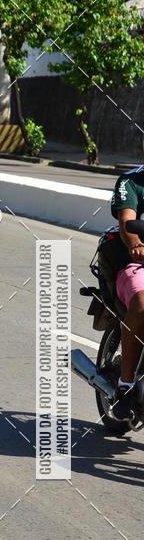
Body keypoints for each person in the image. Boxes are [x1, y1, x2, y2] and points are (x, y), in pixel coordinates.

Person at [110, 166, 144, 419]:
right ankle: (126, 384)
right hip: (136, 263)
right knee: (143, 304)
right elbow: (127, 224)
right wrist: (136, 244)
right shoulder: (131, 181)